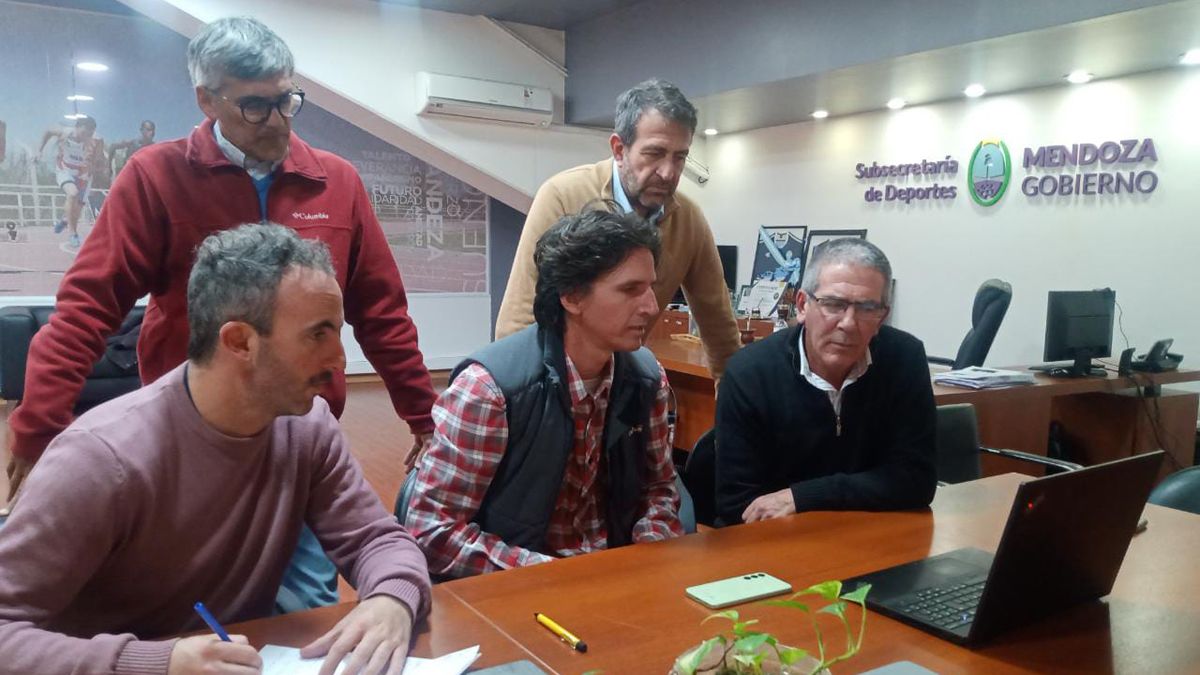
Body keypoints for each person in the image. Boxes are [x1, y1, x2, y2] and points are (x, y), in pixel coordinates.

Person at [3, 16, 437, 613]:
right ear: (207, 99)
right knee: (185, 604)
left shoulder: (335, 181)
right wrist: (37, 428)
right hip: (185, 438)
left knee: (306, 610)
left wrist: (421, 413)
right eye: (256, 107)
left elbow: (382, 310)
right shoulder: (156, 177)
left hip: (297, 434)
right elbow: (86, 308)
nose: (279, 121)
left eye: (288, 100)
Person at [0, 223, 430, 675]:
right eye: (317, 334)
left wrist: (390, 600)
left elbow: (376, 540)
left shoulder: (307, 427)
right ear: (239, 341)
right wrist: (157, 663)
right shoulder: (100, 460)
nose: (340, 359)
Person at [406, 208, 683, 578]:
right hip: (516, 588)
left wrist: (642, 554)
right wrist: (553, 575)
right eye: (630, 290)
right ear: (571, 297)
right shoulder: (490, 391)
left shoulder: (647, 380)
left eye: (651, 287)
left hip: (613, 580)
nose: (651, 306)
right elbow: (431, 530)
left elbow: (660, 489)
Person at [495, 79, 740, 382]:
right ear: (619, 149)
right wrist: (527, 400)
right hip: (551, 380)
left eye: (680, 157)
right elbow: (519, 319)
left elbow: (720, 326)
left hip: (621, 385)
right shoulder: (562, 196)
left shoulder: (688, 219)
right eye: (655, 153)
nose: (668, 172)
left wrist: (737, 409)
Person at [715, 238, 937, 526]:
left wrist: (804, 497)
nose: (848, 323)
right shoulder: (749, 373)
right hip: (775, 544)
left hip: (869, 535)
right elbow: (738, 506)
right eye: (834, 304)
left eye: (867, 308)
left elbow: (917, 480)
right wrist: (866, 490)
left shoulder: (905, 359)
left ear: (883, 316)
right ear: (802, 306)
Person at [37, 115, 104, 248]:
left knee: (78, 208)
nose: (85, 137)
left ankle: (65, 220)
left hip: (83, 174)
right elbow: (48, 132)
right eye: (84, 133)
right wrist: (39, 151)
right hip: (65, 169)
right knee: (72, 193)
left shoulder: (97, 140)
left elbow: (98, 158)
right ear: (77, 127)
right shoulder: (64, 132)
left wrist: (94, 166)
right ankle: (73, 233)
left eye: (89, 134)